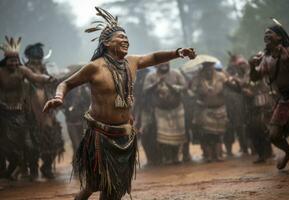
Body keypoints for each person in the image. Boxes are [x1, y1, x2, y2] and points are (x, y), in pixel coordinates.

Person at [43, 7, 196, 200]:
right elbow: (66, 83)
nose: (126, 40)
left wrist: (177, 52)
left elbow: (155, 57)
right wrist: (59, 97)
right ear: (107, 42)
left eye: (126, 38)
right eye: (120, 37)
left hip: (124, 134)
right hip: (100, 136)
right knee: (93, 184)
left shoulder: (131, 62)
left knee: (114, 187)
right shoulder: (94, 67)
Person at [250, 20, 289, 170]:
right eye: (265, 34)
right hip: (283, 99)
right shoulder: (265, 56)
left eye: (269, 33)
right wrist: (252, 66)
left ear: (279, 37)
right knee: (274, 135)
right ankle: (288, 152)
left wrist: (287, 60)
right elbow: (255, 78)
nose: (266, 35)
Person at [0, 36, 52, 180]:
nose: (14, 63)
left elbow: (35, 77)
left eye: (16, 60)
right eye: (11, 61)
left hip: (20, 114)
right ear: (6, 61)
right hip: (3, 115)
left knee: (27, 144)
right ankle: (8, 172)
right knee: (5, 148)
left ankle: (25, 170)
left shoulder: (22, 70)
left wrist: (48, 78)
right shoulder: (0, 72)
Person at [24, 43, 64, 179]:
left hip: (47, 115)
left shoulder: (47, 73)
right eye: (34, 61)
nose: (36, 64)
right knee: (30, 145)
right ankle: (32, 169)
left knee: (55, 141)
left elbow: (56, 85)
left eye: (39, 60)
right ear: (28, 60)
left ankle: (46, 167)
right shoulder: (23, 73)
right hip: (28, 115)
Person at [143, 62, 187, 165]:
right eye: (161, 63)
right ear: (155, 65)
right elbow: (145, 90)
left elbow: (184, 87)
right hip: (160, 110)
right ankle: (167, 157)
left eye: (166, 62)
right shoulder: (151, 76)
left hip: (177, 109)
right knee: (163, 137)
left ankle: (176, 156)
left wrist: (170, 86)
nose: (164, 65)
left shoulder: (176, 73)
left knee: (178, 135)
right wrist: (156, 83)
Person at [191, 61, 228, 162]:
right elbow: (191, 91)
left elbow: (229, 86)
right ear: (203, 70)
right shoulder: (198, 78)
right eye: (206, 70)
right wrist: (198, 98)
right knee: (207, 134)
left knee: (218, 134)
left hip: (220, 108)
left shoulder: (221, 76)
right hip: (205, 110)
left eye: (210, 69)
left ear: (213, 69)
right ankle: (209, 156)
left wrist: (223, 91)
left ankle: (219, 155)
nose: (208, 72)